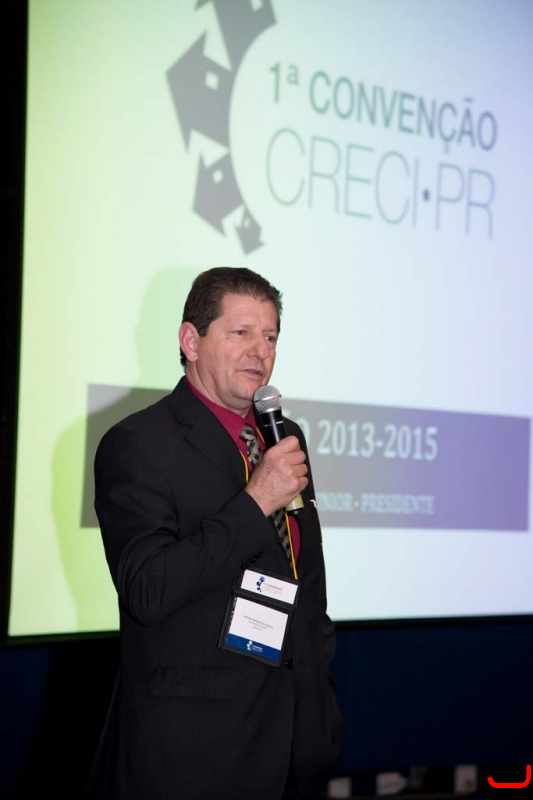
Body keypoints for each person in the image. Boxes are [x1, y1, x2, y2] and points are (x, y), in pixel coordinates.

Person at [86, 267, 344, 800]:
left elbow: (306, 580)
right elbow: (148, 589)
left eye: (270, 336)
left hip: (295, 742)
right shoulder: (138, 443)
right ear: (191, 341)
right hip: (193, 751)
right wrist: (256, 500)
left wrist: (321, 703)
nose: (260, 352)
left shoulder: (283, 438)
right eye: (241, 332)